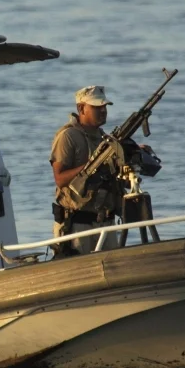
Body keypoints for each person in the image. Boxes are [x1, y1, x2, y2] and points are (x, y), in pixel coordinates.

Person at [49, 85, 125, 255]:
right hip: (77, 224)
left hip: (105, 222)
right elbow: (60, 178)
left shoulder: (106, 139)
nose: (103, 111)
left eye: (104, 107)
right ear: (81, 108)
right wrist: (91, 166)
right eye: (97, 107)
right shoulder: (68, 136)